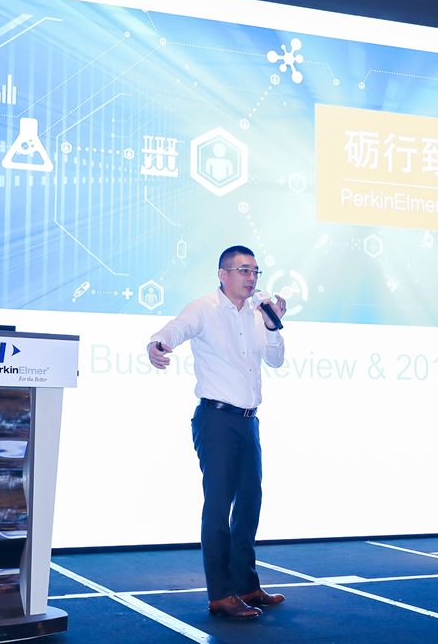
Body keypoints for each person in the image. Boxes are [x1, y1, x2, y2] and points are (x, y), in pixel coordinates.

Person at [147, 245, 287, 619]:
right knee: (219, 505)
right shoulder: (204, 308)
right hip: (217, 420)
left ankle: (247, 585)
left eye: (255, 271)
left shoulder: (259, 314)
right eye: (244, 270)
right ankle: (221, 595)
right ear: (223, 274)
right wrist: (158, 344)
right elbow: (176, 329)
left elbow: (276, 359)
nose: (251, 278)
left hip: (248, 420)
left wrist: (273, 324)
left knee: (250, 504)